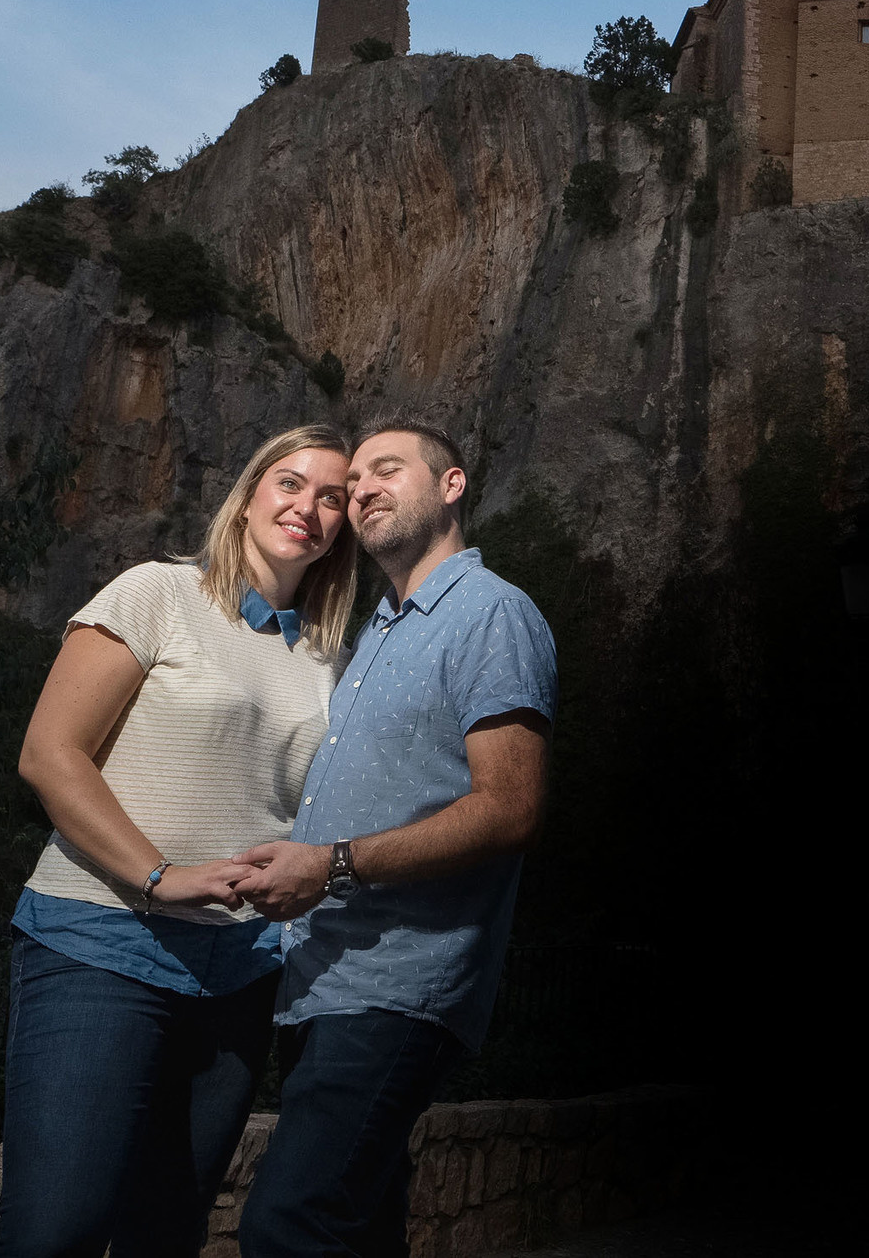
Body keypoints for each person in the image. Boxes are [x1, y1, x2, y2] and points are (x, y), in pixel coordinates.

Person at [0, 426, 358, 1258]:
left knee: (166, 1234)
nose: (308, 506)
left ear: (342, 525)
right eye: (290, 481)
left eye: (331, 496)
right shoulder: (156, 592)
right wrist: (163, 877)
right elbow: (50, 753)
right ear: (249, 492)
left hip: (240, 973)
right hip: (102, 940)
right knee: (55, 1231)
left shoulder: (328, 656)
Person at [232, 417, 558, 1258]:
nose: (364, 487)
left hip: (398, 982)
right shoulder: (377, 631)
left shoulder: (493, 614)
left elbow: (511, 807)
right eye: (356, 482)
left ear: (451, 486)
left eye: (387, 469)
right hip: (319, 978)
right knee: (358, 1228)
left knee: (286, 1223)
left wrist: (333, 864)